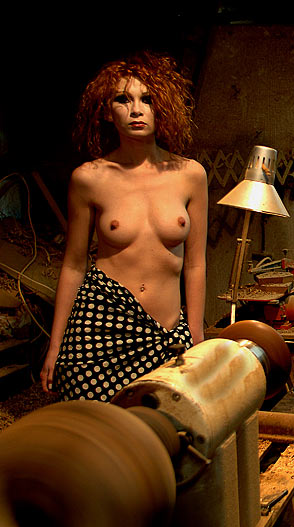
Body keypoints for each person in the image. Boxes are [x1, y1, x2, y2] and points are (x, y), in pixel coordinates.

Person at [40, 52, 208, 402]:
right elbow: (73, 265)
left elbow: (195, 264)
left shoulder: (190, 175)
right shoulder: (89, 178)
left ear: (163, 108)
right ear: (106, 111)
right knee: (94, 430)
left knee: (168, 428)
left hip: (166, 335)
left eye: (147, 99)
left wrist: (196, 334)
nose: (136, 110)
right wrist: (55, 346)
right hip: (99, 329)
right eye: (122, 99)